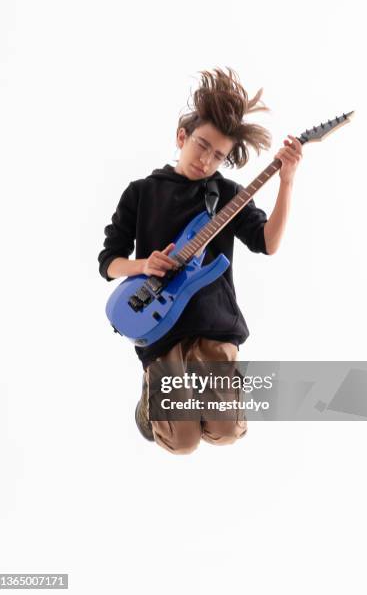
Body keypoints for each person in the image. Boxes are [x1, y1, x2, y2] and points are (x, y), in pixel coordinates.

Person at [98, 67, 303, 454]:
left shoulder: (227, 194)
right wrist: (144, 265)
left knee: (226, 431)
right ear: (182, 136)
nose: (206, 160)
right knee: (183, 443)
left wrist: (287, 179)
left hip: (214, 322)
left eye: (218, 155)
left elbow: (267, 242)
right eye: (202, 145)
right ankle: (151, 399)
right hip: (159, 326)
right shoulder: (141, 193)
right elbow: (109, 261)